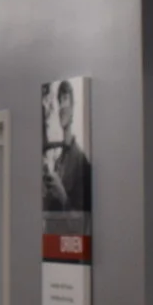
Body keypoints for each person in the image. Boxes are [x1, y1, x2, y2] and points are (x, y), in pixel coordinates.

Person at [43, 81, 91, 215]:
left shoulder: (80, 160)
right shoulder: (58, 161)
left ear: (73, 107)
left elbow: (82, 217)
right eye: (59, 101)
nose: (61, 107)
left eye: (65, 99)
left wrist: (62, 194)